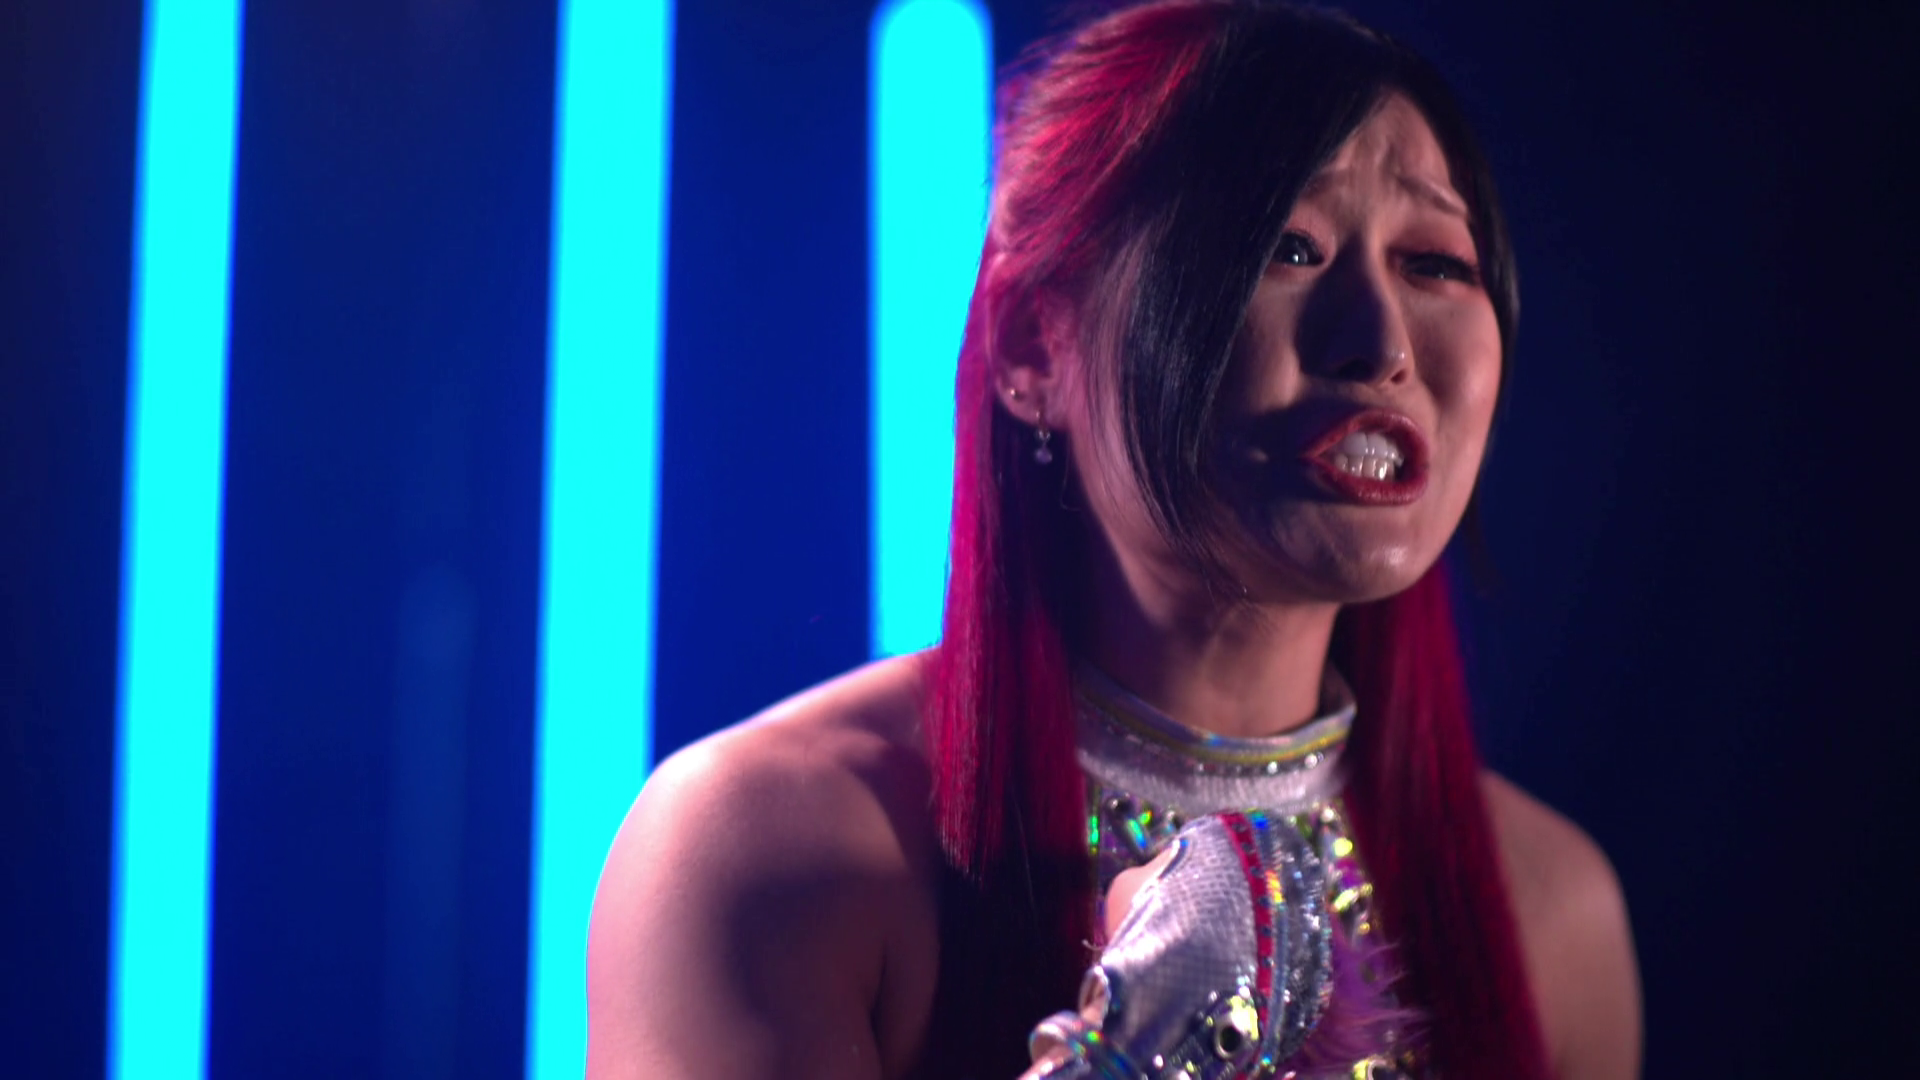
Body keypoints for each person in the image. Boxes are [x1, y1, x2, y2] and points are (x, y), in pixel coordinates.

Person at [585, 2, 1640, 1077]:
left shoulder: (1550, 909)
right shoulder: (772, 852)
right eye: (1285, 246)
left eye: (1435, 263)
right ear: (1032, 350)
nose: (1378, 344)